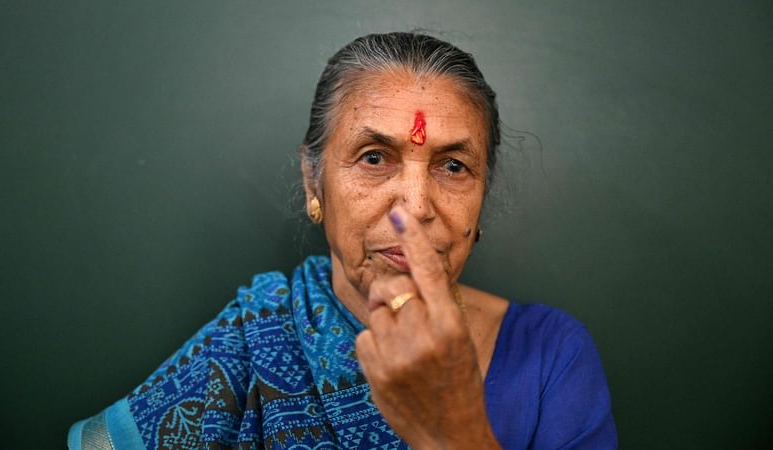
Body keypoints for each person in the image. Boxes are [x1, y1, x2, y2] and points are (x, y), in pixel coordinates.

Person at [68, 32, 617, 450]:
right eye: (374, 158)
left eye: (453, 166)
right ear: (315, 184)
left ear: (480, 198)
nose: (417, 206)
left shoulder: (550, 356)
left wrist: (455, 430)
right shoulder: (249, 344)